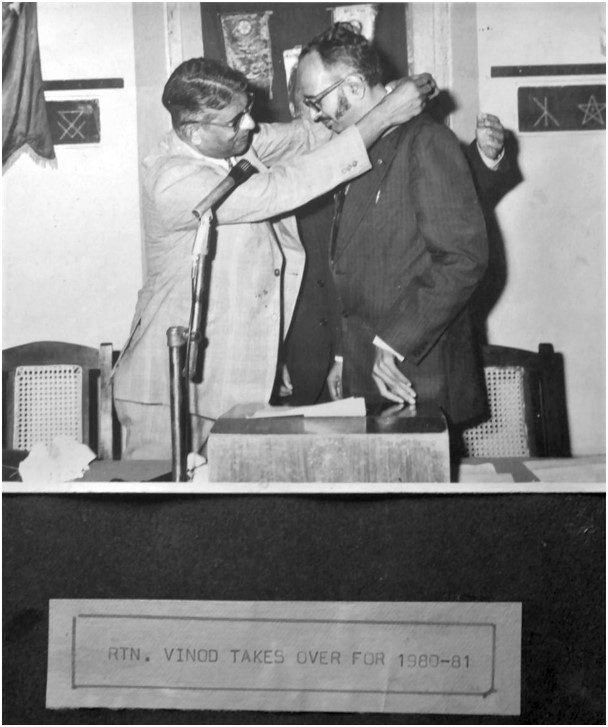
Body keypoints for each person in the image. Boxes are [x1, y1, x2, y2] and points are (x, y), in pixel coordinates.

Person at [112, 57, 436, 459]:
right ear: (194, 131)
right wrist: (385, 115)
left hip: (227, 382)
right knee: (160, 497)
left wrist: (380, 97)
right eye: (237, 121)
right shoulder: (174, 181)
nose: (250, 124)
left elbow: (306, 136)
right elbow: (284, 187)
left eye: (246, 111)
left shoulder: (227, 141)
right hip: (165, 389)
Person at [295, 23, 489, 444]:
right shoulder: (352, 149)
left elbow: (463, 259)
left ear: (354, 86)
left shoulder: (426, 141)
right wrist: (344, 355)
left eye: (315, 100)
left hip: (416, 374)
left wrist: (394, 341)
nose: (313, 114)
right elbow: (348, 262)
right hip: (365, 371)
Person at [284, 96, 521, 406]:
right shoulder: (281, 174)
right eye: (308, 109)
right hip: (308, 362)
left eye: (320, 107)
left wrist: (484, 160)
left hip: (394, 358)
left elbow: (451, 210)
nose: (319, 120)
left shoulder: (379, 149)